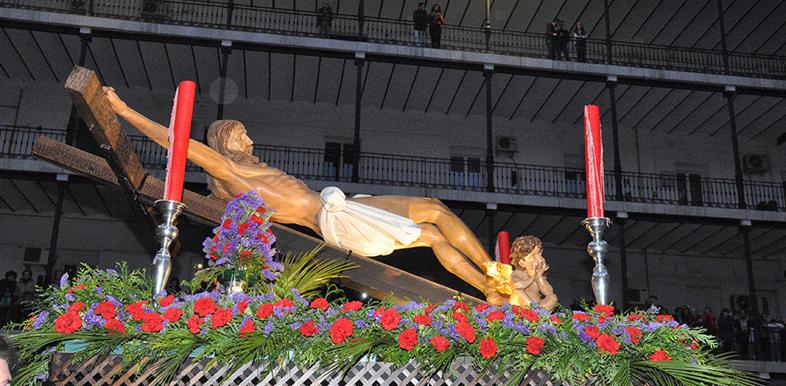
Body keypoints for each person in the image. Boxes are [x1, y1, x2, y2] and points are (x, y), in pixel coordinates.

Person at [104, 87, 509, 305]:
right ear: (225, 139)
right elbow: (181, 146)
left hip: (342, 206)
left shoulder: (250, 170)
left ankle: (492, 283)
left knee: (434, 227)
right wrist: (124, 111)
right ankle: (496, 278)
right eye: (242, 133)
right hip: (334, 220)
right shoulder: (228, 171)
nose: (250, 138)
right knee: (433, 217)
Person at [505, 236, 557, 311]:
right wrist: (532, 277)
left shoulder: (539, 276)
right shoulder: (518, 273)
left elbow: (548, 292)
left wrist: (539, 276)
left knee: (553, 297)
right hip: (522, 308)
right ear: (522, 263)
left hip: (538, 306)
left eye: (539, 254)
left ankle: (539, 313)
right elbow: (516, 286)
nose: (539, 259)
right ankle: (534, 312)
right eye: (533, 256)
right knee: (518, 292)